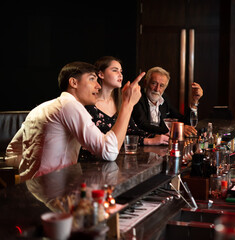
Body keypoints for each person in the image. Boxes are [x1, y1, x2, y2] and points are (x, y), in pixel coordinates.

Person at [5, 61, 145, 181]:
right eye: (92, 79)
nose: (98, 86)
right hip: (56, 194)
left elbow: (11, 153)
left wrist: (35, 168)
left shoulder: (42, 107)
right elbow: (109, 152)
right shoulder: (69, 105)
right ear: (73, 82)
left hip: (32, 190)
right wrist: (128, 104)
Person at [78, 56, 169, 160]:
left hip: (117, 161)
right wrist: (151, 141)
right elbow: (101, 143)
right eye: (114, 70)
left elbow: (133, 132)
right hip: (92, 165)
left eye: (121, 71)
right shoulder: (89, 105)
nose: (120, 74)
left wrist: (160, 135)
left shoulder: (120, 102)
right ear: (101, 74)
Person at [131, 66, 203, 137]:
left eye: (161, 85)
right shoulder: (138, 98)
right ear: (145, 82)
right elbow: (143, 125)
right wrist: (175, 129)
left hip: (161, 144)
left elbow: (183, 122)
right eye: (154, 83)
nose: (157, 89)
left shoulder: (164, 99)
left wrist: (194, 101)